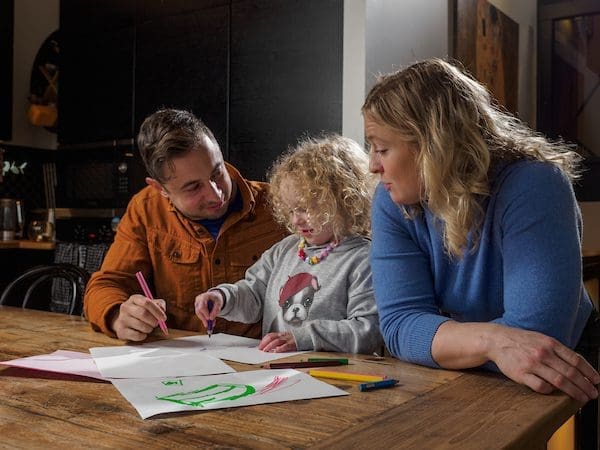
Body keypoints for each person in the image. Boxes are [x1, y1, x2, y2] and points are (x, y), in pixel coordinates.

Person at [362, 58, 600, 403]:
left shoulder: (535, 184)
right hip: (474, 364)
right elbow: (399, 326)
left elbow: (537, 339)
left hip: (566, 365)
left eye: (382, 149)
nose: (372, 165)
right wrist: (491, 342)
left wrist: (439, 341)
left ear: (433, 145)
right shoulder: (391, 200)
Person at [84, 109, 286, 341]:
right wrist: (118, 316)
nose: (216, 194)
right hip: (180, 362)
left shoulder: (280, 205)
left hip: (266, 362)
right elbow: (107, 284)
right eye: (193, 188)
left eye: (217, 172)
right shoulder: (145, 210)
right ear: (161, 189)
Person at [194, 135, 383, 354]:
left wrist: (303, 338)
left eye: (305, 208)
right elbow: (254, 295)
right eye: (292, 210)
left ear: (343, 200)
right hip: (278, 371)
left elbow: (368, 330)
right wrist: (223, 298)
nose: (295, 220)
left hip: (336, 376)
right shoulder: (285, 249)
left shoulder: (363, 259)